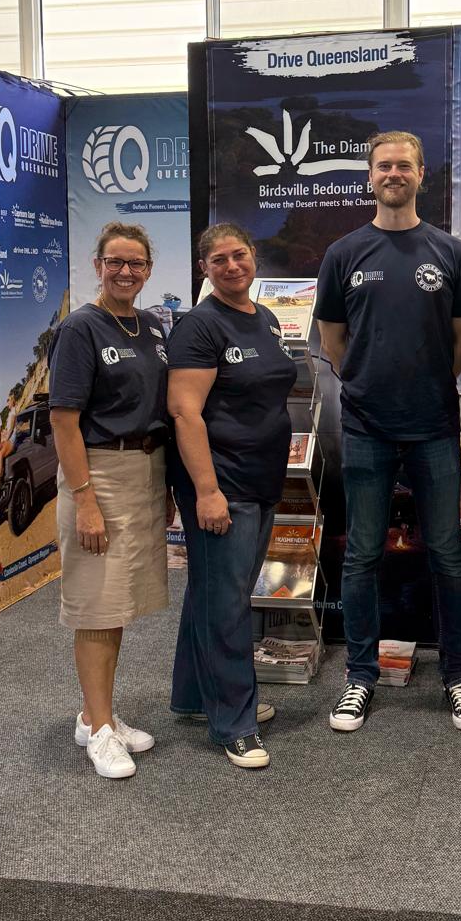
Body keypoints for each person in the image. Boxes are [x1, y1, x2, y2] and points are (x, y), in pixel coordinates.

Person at [314, 130, 461, 734]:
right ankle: (359, 677)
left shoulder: (451, 252)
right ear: (369, 176)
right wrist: (363, 380)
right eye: (384, 165)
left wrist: (432, 380)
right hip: (365, 428)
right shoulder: (344, 253)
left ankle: (457, 677)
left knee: (445, 553)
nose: (394, 173)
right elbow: (333, 341)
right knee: (361, 555)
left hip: (434, 426)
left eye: (404, 165)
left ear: (420, 176)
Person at [167, 223, 297, 769]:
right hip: (223, 483)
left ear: (253, 258)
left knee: (214, 590)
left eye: (239, 255)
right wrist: (207, 492)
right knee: (227, 602)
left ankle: (195, 696)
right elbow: (184, 410)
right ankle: (234, 723)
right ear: (205, 269)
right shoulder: (199, 326)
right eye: (218, 260)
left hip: (261, 478)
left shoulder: (263, 317)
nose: (231, 266)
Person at [48, 222, 170, 780]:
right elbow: (64, 422)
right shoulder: (80, 329)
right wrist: (85, 501)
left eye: (136, 263)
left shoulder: (150, 327)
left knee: (118, 603)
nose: (126, 271)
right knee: (97, 604)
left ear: (148, 269)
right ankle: (99, 732)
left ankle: (94, 714)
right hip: (98, 472)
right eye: (115, 261)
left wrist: (164, 486)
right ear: (98, 264)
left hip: (145, 468)